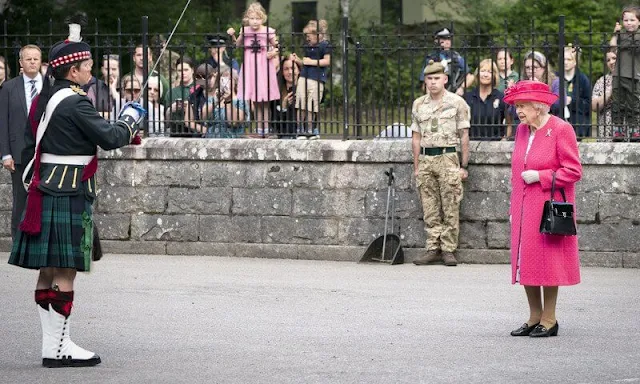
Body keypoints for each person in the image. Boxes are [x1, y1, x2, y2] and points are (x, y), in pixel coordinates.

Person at [8, 20, 145, 367]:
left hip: (45, 188)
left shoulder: (45, 97)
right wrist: (131, 119)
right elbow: (111, 137)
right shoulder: (74, 103)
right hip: (68, 192)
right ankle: (58, 347)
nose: (91, 71)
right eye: (87, 67)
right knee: (65, 270)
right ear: (72, 69)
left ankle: (53, 344)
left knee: (49, 269)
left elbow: (34, 145)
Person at [503, 80, 582, 338]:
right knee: (525, 261)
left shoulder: (561, 129)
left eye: (522, 106)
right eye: (516, 106)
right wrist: (514, 207)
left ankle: (550, 319)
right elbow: (517, 171)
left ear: (539, 106)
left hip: (547, 207)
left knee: (548, 263)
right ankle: (534, 316)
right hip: (524, 206)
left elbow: (573, 171)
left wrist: (541, 176)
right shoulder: (522, 131)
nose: (518, 111)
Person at [411, 60, 470, 267]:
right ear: (425, 81)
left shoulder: (457, 103)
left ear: (445, 79)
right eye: (429, 79)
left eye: (437, 78)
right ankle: (432, 247)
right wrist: (417, 166)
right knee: (429, 205)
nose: (433, 82)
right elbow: (416, 137)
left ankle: (448, 249)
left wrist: (464, 165)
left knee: (450, 204)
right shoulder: (419, 104)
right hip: (427, 158)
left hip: (448, 157)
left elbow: (464, 135)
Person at [0, 44, 42, 239]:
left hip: (45, 151)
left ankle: (40, 239)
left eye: (36, 58)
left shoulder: (50, 85)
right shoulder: (9, 87)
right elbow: (3, 122)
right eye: (28, 59)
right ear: (21, 62)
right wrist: (5, 154)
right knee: (20, 199)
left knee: (42, 197)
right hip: (18, 153)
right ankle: (18, 241)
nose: (32, 62)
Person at [227, 2, 280, 138]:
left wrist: (273, 53)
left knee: (265, 100)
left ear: (262, 18)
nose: (255, 21)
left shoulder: (268, 31)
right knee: (255, 100)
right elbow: (237, 45)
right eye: (252, 18)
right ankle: (259, 129)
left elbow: (279, 46)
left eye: (257, 18)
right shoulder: (245, 31)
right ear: (247, 19)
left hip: (263, 66)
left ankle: (266, 129)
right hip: (250, 66)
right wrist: (232, 35)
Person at [292, 19, 331, 139]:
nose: (307, 38)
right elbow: (305, 63)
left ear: (318, 35)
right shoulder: (307, 46)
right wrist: (298, 60)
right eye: (306, 36)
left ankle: (309, 129)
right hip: (304, 76)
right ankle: (300, 130)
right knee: (300, 103)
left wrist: (311, 61)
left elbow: (327, 61)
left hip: (316, 79)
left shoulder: (325, 45)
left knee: (311, 106)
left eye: (309, 36)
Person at [610, 5, 640, 140]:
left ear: (639, 21)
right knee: (617, 102)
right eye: (626, 20)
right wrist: (615, 33)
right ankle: (618, 130)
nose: (629, 23)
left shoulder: (638, 36)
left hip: (634, 75)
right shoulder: (620, 35)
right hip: (618, 74)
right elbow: (612, 46)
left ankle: (634, 129)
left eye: (632, 20)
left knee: (633, 103)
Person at [419, 27, 474, 95]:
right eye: (444, 39)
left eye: (449, 38)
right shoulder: (431, 58)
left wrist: (461, 89)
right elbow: (424, 83)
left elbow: (470, 76)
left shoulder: (456, 57)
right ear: (436, 40)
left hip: (454, 94)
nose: (447, 41)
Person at [463, 58, 506, 140]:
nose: (485, 75)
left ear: (494, 75)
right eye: (483, 71)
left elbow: (509, 122)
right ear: (477, 73)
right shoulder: (467, 97)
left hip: (495, 146)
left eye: (490, 72)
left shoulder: (501, 97)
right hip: (471, 144)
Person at [562, 45, 591, 139]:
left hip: (577, 124)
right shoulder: (555, 77)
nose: (565, 62)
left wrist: (572, 101)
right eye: (563, 59)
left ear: (575, 62)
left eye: (569, 59)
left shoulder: (583, 79)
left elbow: (588, 104)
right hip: (558, 121)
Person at [270, 54, 300, 138]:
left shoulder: (305, 89)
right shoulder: (277, 92)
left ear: (298, 70)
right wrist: (283, 107)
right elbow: (275, 123)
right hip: (283, 136)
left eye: (293, 68)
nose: (290, 72)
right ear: (282, 72)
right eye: (286, 69)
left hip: (301, 136)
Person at [592, 50, 617, 139]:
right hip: (606, 132)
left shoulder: (635, 79)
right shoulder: (602, 81)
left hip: (631, 131)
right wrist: (609, 92)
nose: (611, 62)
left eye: (614, 58)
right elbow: (594, 107)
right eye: (608, 60)